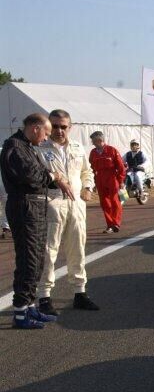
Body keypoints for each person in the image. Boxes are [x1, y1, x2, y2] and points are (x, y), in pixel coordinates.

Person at [0, 113, 72, 329]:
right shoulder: (15, 147)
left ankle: (30, 305)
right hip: (25, 206)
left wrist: (52, 176)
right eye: (46, 133)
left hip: (36, 205)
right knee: (29, 259)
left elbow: (41, 173)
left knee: (37, 258)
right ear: (35, 128)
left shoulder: (28, 147)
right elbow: (32, 176)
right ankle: (21, 311)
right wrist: (53, 176)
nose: (45, 139)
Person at [37, 109, 99, 316]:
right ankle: (44, 296)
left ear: (70, 127)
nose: (59, 130)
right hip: (52, 202)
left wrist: (88, 187)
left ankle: (80, 292)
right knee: (48, 250)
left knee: (78, 247)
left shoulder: (77, 147)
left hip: (76, 205)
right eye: (55, 126)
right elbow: (35, 173)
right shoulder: (40, 148)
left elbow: (86, 171)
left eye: (63, 126)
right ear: (48, 126)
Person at [88, 131, 126, 233]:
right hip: (99, 178)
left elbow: (121, 167)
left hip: (112, 177)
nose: (92, 143)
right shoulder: (93, 153)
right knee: (104, 203)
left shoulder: (112, 150)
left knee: (114, 201)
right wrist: (94, 183)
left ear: (99, 140)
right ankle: (110, 225)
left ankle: (116, 223)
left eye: (93, 141)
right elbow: (91, 168)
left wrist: (121, 180)